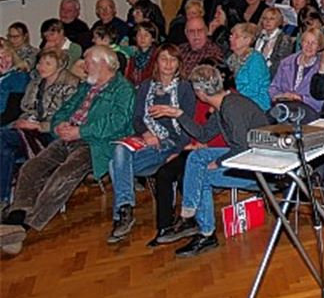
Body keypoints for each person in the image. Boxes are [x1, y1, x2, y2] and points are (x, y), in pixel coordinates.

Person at [0, 46, 134, 256]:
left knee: (64, 176)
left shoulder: (123, 89)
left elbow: (118, 122)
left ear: (103, 64)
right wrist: (60, 124)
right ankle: (17, 213)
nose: (83, 65)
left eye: (87, 61)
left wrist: (81, 131)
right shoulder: (86, 86)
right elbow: (65, 108)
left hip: (96, 143)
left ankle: (25, 225)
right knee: (32, 167)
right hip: (69, 136)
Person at [145, 65, 269, 257]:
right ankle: (189, 213)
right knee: (196, 157)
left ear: (200, 92)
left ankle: (205, 232)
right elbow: (203, 135)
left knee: (202, 175)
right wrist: (177, 113)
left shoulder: (231, 108)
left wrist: (218, 163)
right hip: (247, 156)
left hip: (258, 167)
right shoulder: (223, 105)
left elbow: (243, 148)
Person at [105, 44, 195, 244]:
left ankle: (122, 214)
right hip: (147, 141)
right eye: (164, 59)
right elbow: (137, 118)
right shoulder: (146, 86)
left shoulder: (185, 88)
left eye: (173, 60)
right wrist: (146, 133)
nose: (168, 64)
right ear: (157, 62)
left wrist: (179, 152)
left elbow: (189, 125)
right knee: (119, 152)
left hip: (171, 141)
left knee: (115, 166)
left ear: (179, 63)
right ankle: (125, 207)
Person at [0, 50, 80, 205]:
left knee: (3, 138)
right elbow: (27, 109)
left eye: (48, 63)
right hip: (31, 130)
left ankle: (4, 198)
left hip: (53, 133)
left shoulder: (71, 85)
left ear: (60, 66)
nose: (42, 67)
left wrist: (37, 125)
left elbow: (68, 118)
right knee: (5, 149)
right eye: (41, 63)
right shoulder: (36, 82)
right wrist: (22, 122)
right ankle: (4, 199)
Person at [269, 27, 324, 117]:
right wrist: (280, 96)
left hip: (308, 110)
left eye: (313, 43)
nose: (309, 46)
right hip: (284, 106)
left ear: (319, 47)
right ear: (301, 43)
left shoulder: (322, 67)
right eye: (306, 42)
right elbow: (273, 87)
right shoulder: (286, 62)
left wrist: (301, 98)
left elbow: (322, 101)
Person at [226, 23, 271, 110]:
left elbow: (253, 89)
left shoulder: (256, 60)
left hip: (256, 104)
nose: (231, 39)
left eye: (236, 37)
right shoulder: (231, 59)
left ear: (247, 40)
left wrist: (231, 95)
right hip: (236, 100)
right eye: (231, 36)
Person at [253, 7, 293, 77]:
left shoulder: (284, 39)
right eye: (265, 18)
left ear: (278, 21)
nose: (267, 21)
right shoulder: (260, 37)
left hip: (274, 76)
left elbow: (281, 63)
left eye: (272, 19)